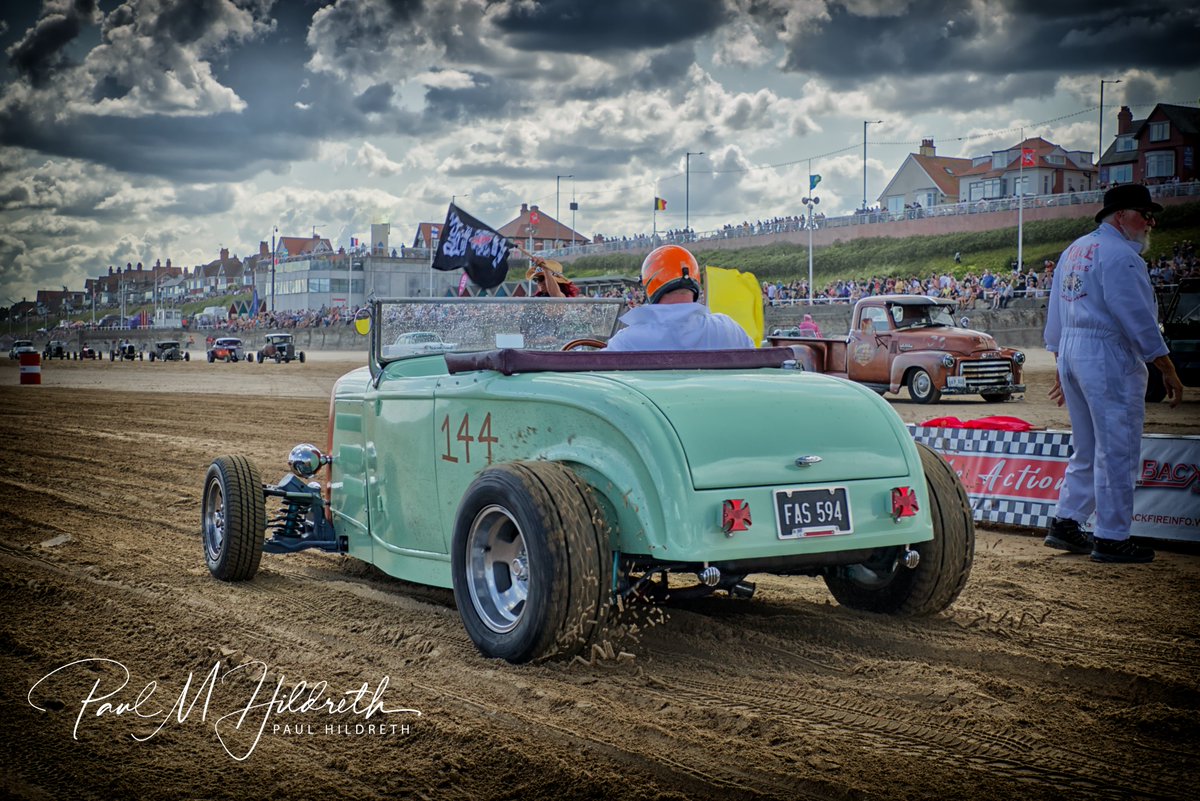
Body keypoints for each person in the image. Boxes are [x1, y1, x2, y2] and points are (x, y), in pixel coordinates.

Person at [1043, 184, 1184, 563]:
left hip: (1074, 349)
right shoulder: (1121, 255)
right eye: (1144, 214)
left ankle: (1067, 521)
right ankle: (1111, 536)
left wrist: (1060, 362)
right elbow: (1136, 316)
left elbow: (1055, 312)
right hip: (1105, 353)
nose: (1150, 222)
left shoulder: (1075, 249)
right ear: (1121, 215)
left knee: (1087, 446)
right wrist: (1165, 365)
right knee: (1117, 448)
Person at [604, 245, 754, 351]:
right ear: (695, 281)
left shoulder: (626, 341)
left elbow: (599, 377)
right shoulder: (729, 329)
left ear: (649, 285)